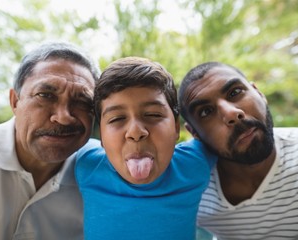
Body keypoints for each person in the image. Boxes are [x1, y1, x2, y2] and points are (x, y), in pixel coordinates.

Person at [0, 41, 100, 239]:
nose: (63, 117)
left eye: (82, 101)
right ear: (15, 101)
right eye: (45, 95)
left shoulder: (104, 171)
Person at [75, 57, 216, 240]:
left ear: (175, 128)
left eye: (152, 114)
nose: (135, 132)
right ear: (101, 136)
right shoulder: (85, 162)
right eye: (117, 119)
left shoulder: (195, 162)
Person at [178, 61, 298, 240]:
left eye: (235, 92)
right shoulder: (189, 189)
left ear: (259, 93)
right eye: (206, 112)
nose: (231, 113)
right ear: (194, 133)